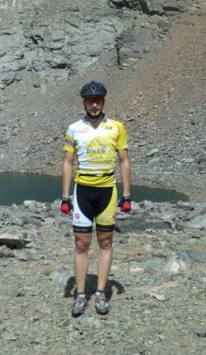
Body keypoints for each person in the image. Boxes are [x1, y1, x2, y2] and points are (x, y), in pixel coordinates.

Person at [60, 80, 131, 317]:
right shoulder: (73, 128)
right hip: (83, 191)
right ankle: (80, 295)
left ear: (103, 101)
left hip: (107, 191)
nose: (94, 105)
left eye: (98, 100)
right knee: (81, 243)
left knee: (106, 242)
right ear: (84, 102)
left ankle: (100, 292)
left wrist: (127, 195)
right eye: (90, 101)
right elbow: (68, 163)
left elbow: (124, 161)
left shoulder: (117, 127)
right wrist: (65, 196)